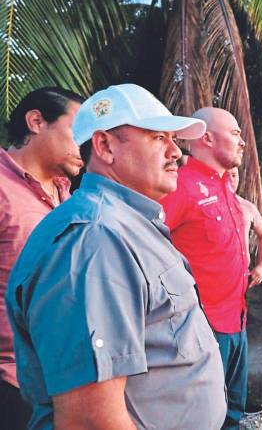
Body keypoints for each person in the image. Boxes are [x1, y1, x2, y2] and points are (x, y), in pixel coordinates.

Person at [6, 84, 227, 430]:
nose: (176, 153)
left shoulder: (125, 225)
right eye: (157, 138)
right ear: (105, 146)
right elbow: (90, 419)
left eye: (173, 139)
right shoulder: (95, 239)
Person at [160, 107, 251, 429]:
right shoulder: (180, 186)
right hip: (203, 327)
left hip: (236, 319)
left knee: (234, 412)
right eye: (236, 133)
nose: (243, 142)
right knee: (201, 417)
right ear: (207, 138)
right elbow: (149, 248)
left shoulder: (225, 185)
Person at [0, 87, 84, 429]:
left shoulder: (69, 196)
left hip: (64, 379)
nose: (86, 144)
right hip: (11, 384)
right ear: (36, 121)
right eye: (77, 132)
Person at [228, 167, 262, 289]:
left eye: (234, 175)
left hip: (241, 278)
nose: (231, 180)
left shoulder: (247, 207)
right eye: (226, 175)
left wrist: (261, 266)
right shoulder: (206, 204)